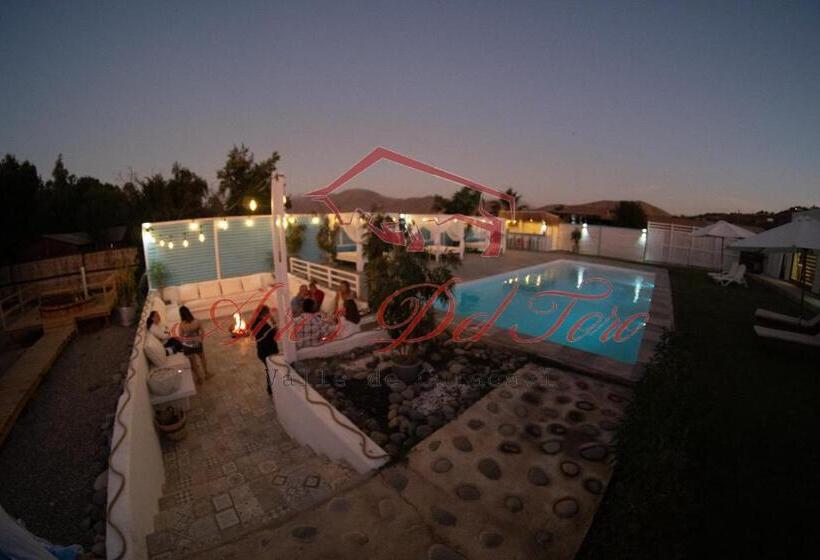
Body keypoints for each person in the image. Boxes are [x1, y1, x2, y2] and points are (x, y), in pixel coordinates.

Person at [251, 305, 278, 395]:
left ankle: (271, 388)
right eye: (268, 312)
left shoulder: (255, 322)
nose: (269, 314)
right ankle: (271, 389)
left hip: (261, 351)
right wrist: (273, 322)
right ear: (264, 313)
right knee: (271, 370)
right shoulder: (264, 326)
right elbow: (275, 334)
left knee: (269, 369)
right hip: (268, 351)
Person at [178, 305, 209, 383]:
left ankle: (199, 378)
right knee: (202, 358)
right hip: (197, 343)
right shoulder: (197, 321)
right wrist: (200, 340)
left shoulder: (181, 325)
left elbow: (181, 337)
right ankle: (206, 374)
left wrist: (187, 341)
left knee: (193, 362)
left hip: (187, 345)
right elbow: (202, 332)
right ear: (189, 312)